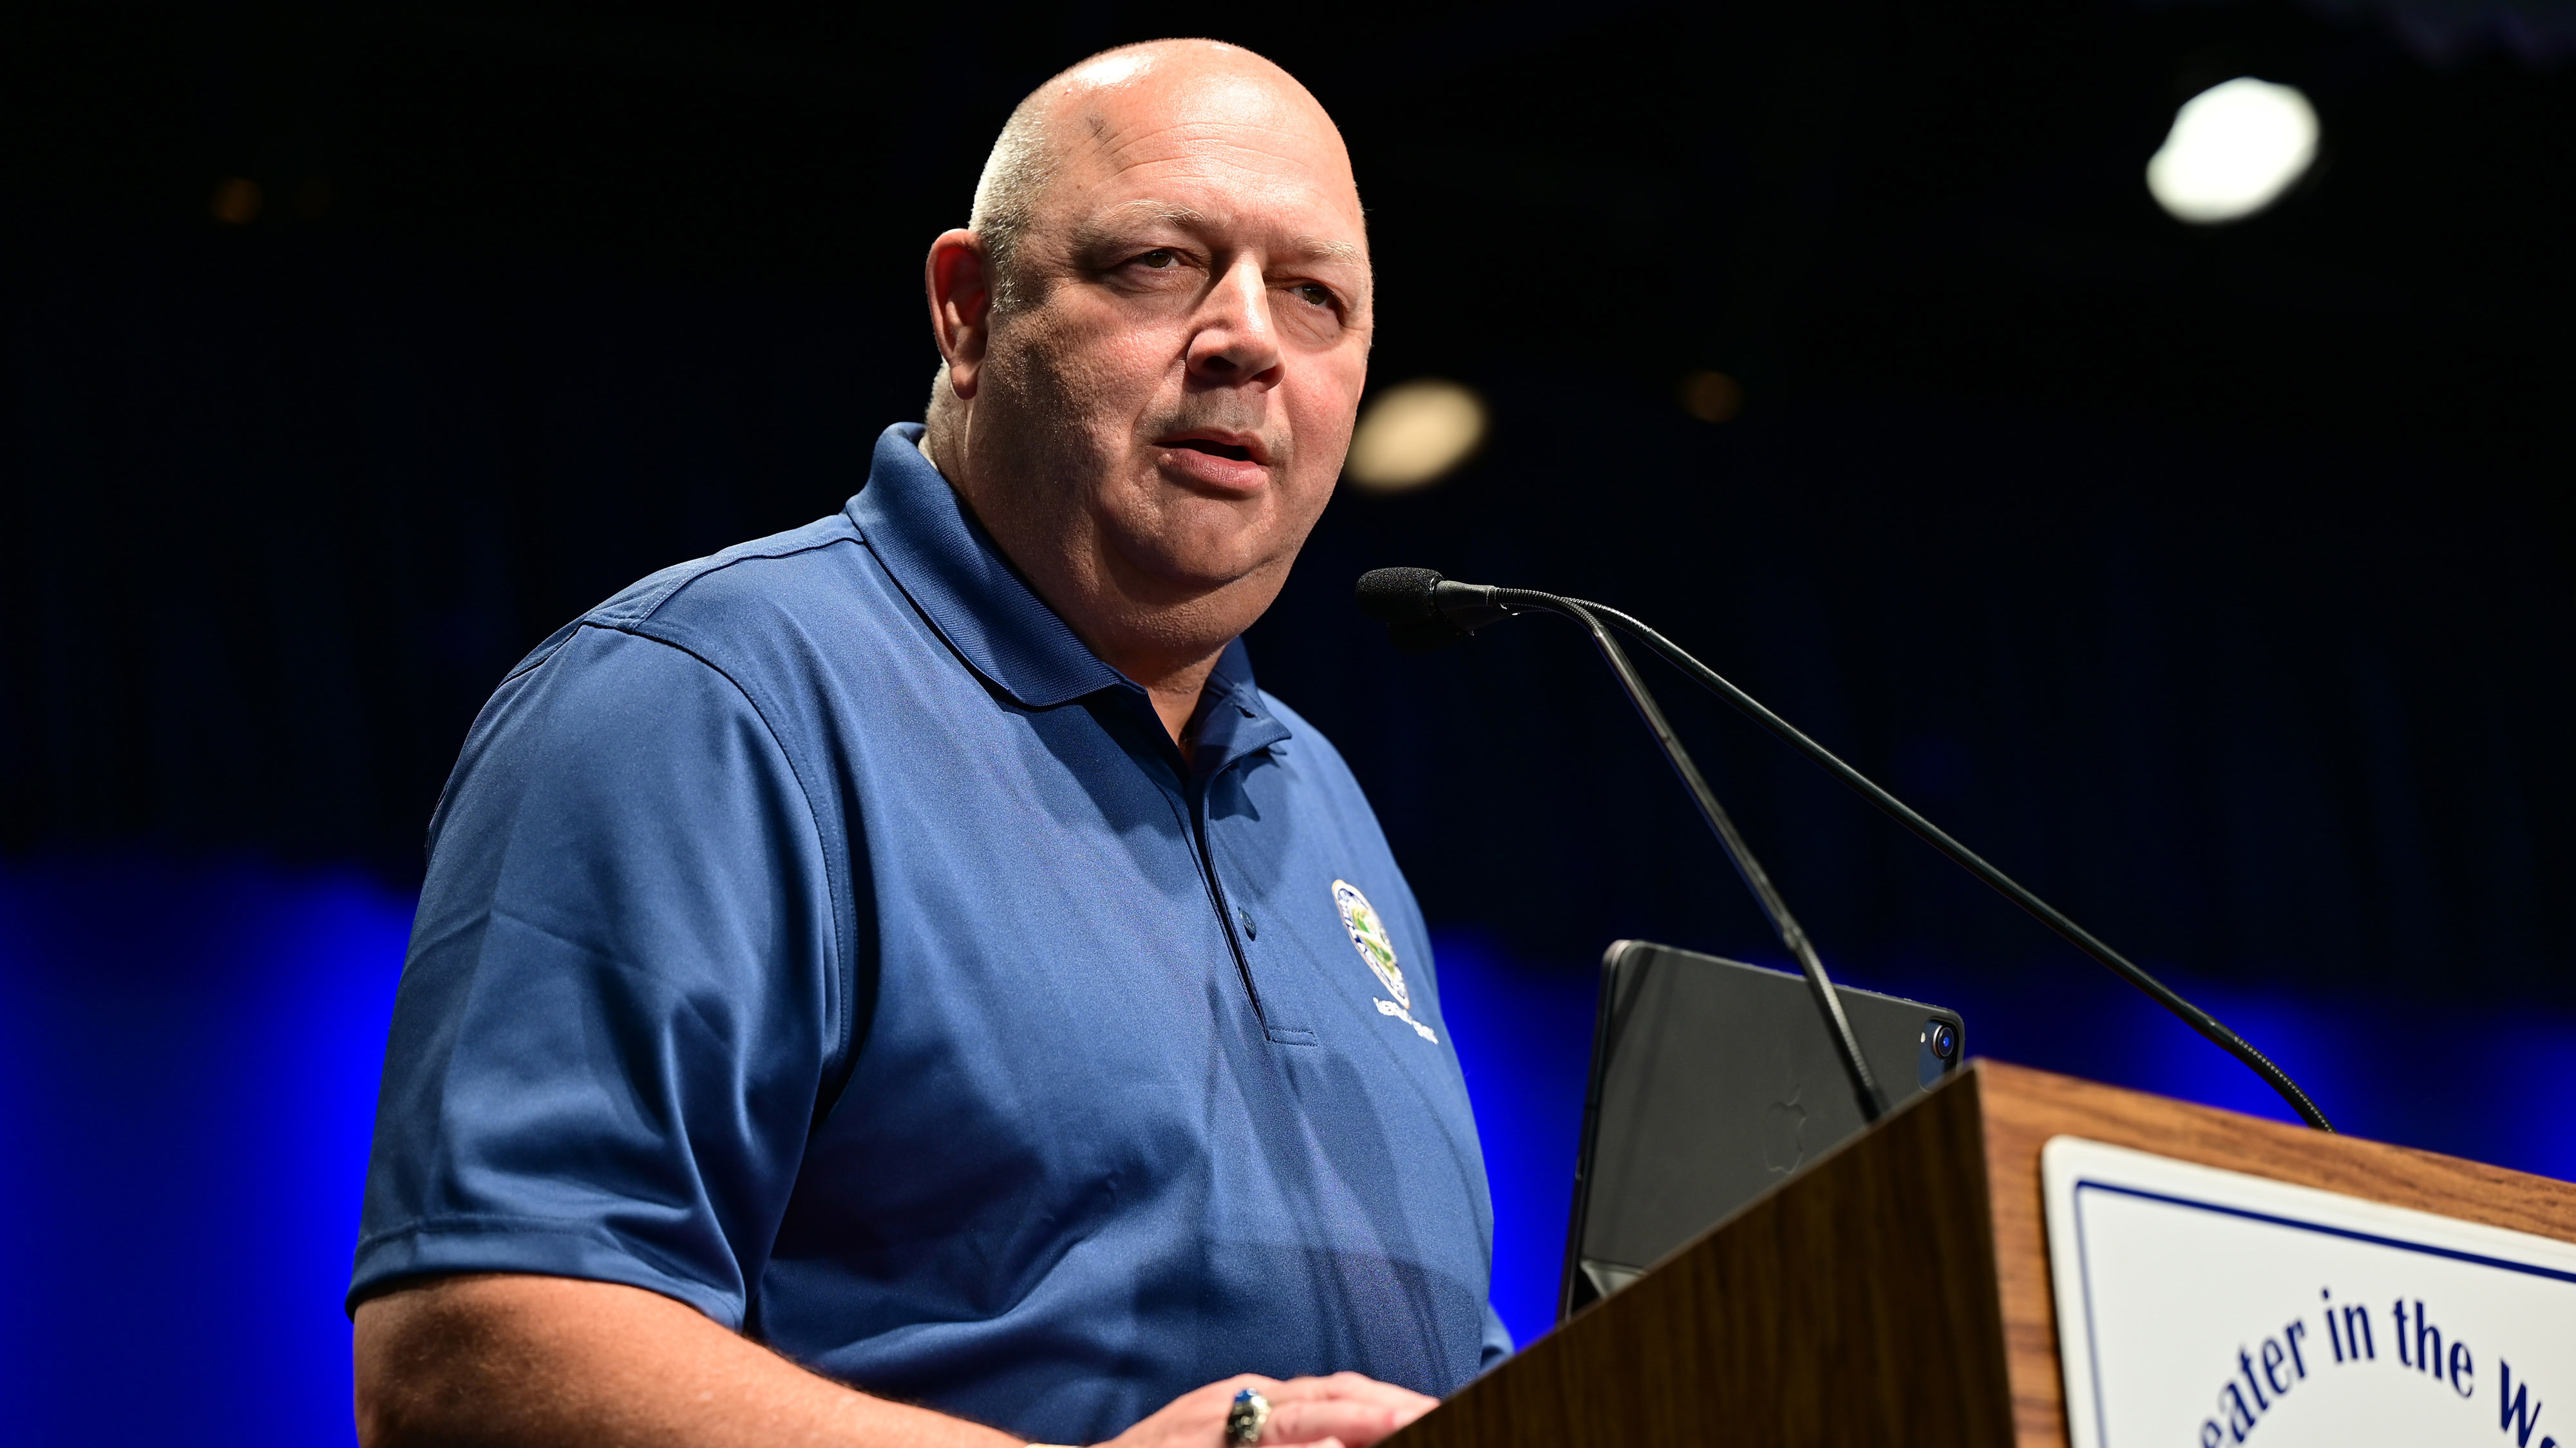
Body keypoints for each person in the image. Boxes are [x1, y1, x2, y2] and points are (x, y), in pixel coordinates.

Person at [348, 37, 1507, 1448]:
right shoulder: (702, 702)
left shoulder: (1320, 804)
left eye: (1315, 295)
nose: (1249, 336)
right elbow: (470, 1356)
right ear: (967, 309)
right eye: (1157, 261)